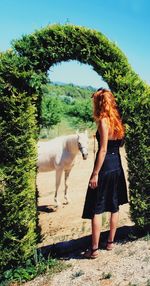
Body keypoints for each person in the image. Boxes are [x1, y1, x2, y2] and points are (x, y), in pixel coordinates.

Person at [82, 88, 128, 259]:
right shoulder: (117, 121)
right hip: (117, 165)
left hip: (105, 167)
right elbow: (119, 145)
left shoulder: (103, 121)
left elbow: (103, 150)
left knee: (96, 208)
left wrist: (95, 174)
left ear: (99, 102)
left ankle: (93, 250)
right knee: (114, 205)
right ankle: (110, 243)